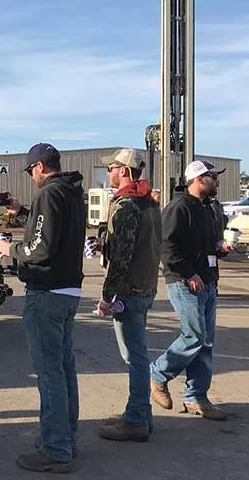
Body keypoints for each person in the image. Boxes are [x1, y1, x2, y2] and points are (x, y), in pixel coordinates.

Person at [0, 143, 85, 473]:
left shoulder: (49, 194)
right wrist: (22, 211)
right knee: (63, 368)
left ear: (39, 167)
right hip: (69, 289)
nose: (31, 177)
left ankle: (56, 448)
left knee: (49, 373)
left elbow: (40, 247)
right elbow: (52, 230)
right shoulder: (72, 193)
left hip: (47, 291)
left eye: (31, 171)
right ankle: (66, 437)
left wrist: (11, 249)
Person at [150, 160, 231, 421]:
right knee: (194, 336)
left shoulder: (209, 208)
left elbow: (209, 244)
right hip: (184, 281)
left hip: (207, 280)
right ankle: (157, 374)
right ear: (198, 179)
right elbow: (166, 246)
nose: (217, 180)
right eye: (212, 176)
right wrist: (188, 272)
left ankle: (196, 396)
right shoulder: (179, 207)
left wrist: (220, 248)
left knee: (205, 342)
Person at [95, 149, 162, 442]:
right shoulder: (149, 203)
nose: (108, 173)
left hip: (129, 290)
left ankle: (135, 418)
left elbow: (122, 257)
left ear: (123, 170)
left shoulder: (126, 206)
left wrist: (107, 295)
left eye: (111, 168)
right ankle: (141, 413)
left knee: (134, 357)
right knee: (138, 354)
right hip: (146, 286)